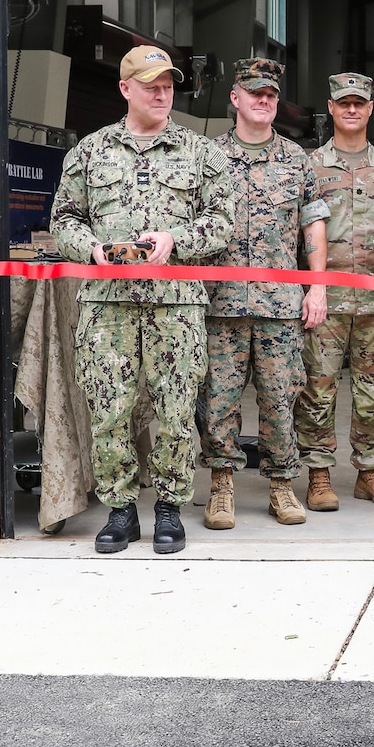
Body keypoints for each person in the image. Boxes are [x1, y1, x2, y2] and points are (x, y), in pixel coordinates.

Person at [50, 44, 234, 554]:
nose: (162, 92)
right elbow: (64, 219)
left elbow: (222, 222)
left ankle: (170, 507)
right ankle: (121, 510)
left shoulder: (201, 152)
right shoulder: (90, 151)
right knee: (110, 409)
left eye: (168, 84)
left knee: (175, 410)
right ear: (125, 88)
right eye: (150, 84)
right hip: (107, 303)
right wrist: (90, 248)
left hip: (176, 302)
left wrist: (178, 241)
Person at [197, 58, 328, 530]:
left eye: (271, 94)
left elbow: (313, 226)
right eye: (255, 93)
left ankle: (280, 486)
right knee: (218, 400)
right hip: (219, 305)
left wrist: (316, 286)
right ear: (235, 99)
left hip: (279, 308)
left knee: (280, 398)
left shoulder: (297, 160)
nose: (264, 101)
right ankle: (221, 487)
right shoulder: (206, 157)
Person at [294, 72, 374, 510]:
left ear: (370, 108)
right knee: (317, 389)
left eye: (359, 102)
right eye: (344, 103)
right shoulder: (309, 165)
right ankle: (318, 475)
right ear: (332, 107)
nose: (352, 109)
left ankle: (369, 471)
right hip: (324, 299)